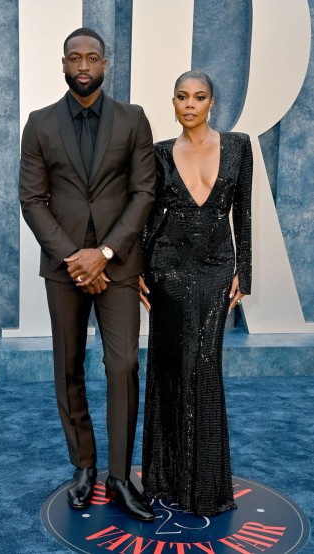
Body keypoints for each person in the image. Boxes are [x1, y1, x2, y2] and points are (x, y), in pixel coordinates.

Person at [19, 28, 156, 521]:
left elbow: (144, 192)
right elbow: (32, 200)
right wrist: (76, 258)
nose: (83, 65)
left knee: (122, 368)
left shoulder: (133, 119)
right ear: (62, 64)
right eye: (74, 58)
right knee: (68, 367)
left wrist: (104, 253)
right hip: (64, 269)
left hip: (117, 265)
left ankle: (120, 476)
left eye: (92, 58)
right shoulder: (38, 124)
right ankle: (84, 466)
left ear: (105, 64)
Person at [140, 70, 252, 516]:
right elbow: (149, 216)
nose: (190, 104)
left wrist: (244, 268)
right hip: (166, 266)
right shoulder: (160, 153)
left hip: (215, 266)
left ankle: (205, 486)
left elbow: (242, 211)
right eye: (182, 97)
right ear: (173, 103)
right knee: (169, 366)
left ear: (212, 102)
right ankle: (166, 479)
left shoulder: (239, 146)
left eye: (199, 97)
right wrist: (138, 273)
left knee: (204, 365)